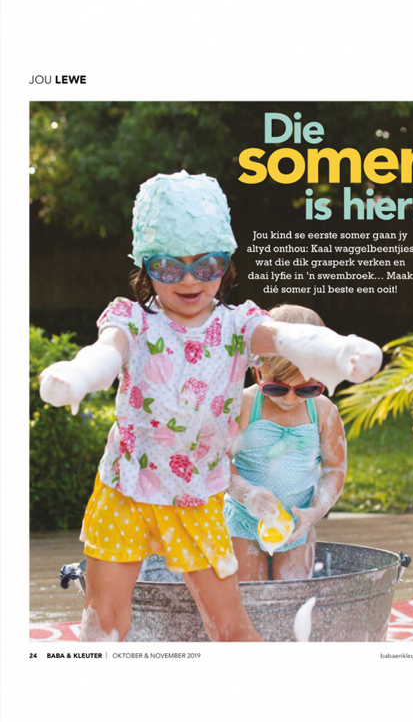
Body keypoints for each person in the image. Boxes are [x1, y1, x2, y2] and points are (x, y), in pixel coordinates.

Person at [39, 170, 382, 642]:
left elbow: (290, 337)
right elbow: (104, 352)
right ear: (145, 267)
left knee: (230, 627)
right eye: (167, 266)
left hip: (197, 497)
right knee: (105, 620)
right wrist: (77, 376)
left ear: (225, 265)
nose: (187, 280)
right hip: (125, 491)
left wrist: (338, 350)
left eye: (206, 266)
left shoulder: (238, 326)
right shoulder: (132, 322)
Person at [225, 304, 347, 582]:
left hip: (297, 524)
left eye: (307, 389)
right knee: (247, 596)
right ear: (258, 371)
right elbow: (216, 463)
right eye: (276, 387)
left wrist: (315, 511)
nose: (289, 399)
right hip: (241, 521)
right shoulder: (242, 405)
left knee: (293, 597)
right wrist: (247, 493)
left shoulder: (323, 412)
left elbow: (335, 470)